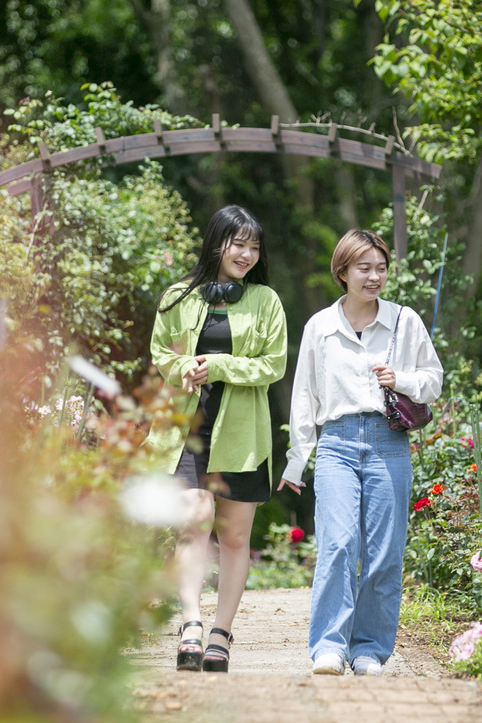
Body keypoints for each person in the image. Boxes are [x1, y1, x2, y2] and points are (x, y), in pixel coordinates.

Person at [278, 228, 443, 676]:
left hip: (389, 442)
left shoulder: (404, 321)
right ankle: (329, 646)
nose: (374, 277)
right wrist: (297, 460)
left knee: (385, 553)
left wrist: (402, 379)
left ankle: (369, 649)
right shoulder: (320, 326)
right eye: (364, 269)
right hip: (336, 443)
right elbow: (305, 396)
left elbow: (434, 380)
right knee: (337, 543)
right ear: (343, 272)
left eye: (381, 269)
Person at [146, 205, 287, 673]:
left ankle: (221, 634)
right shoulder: (177, 296)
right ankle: (191, 623)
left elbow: (274, 364)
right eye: (237, 243)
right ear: (216, 242)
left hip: (242, 432)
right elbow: (160, 351)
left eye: (254, 246)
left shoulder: (266, 301)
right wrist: (184, 366)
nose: (246, 254)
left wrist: (221, 365)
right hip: (189, 428)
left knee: (234, 534)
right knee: (196, 515)